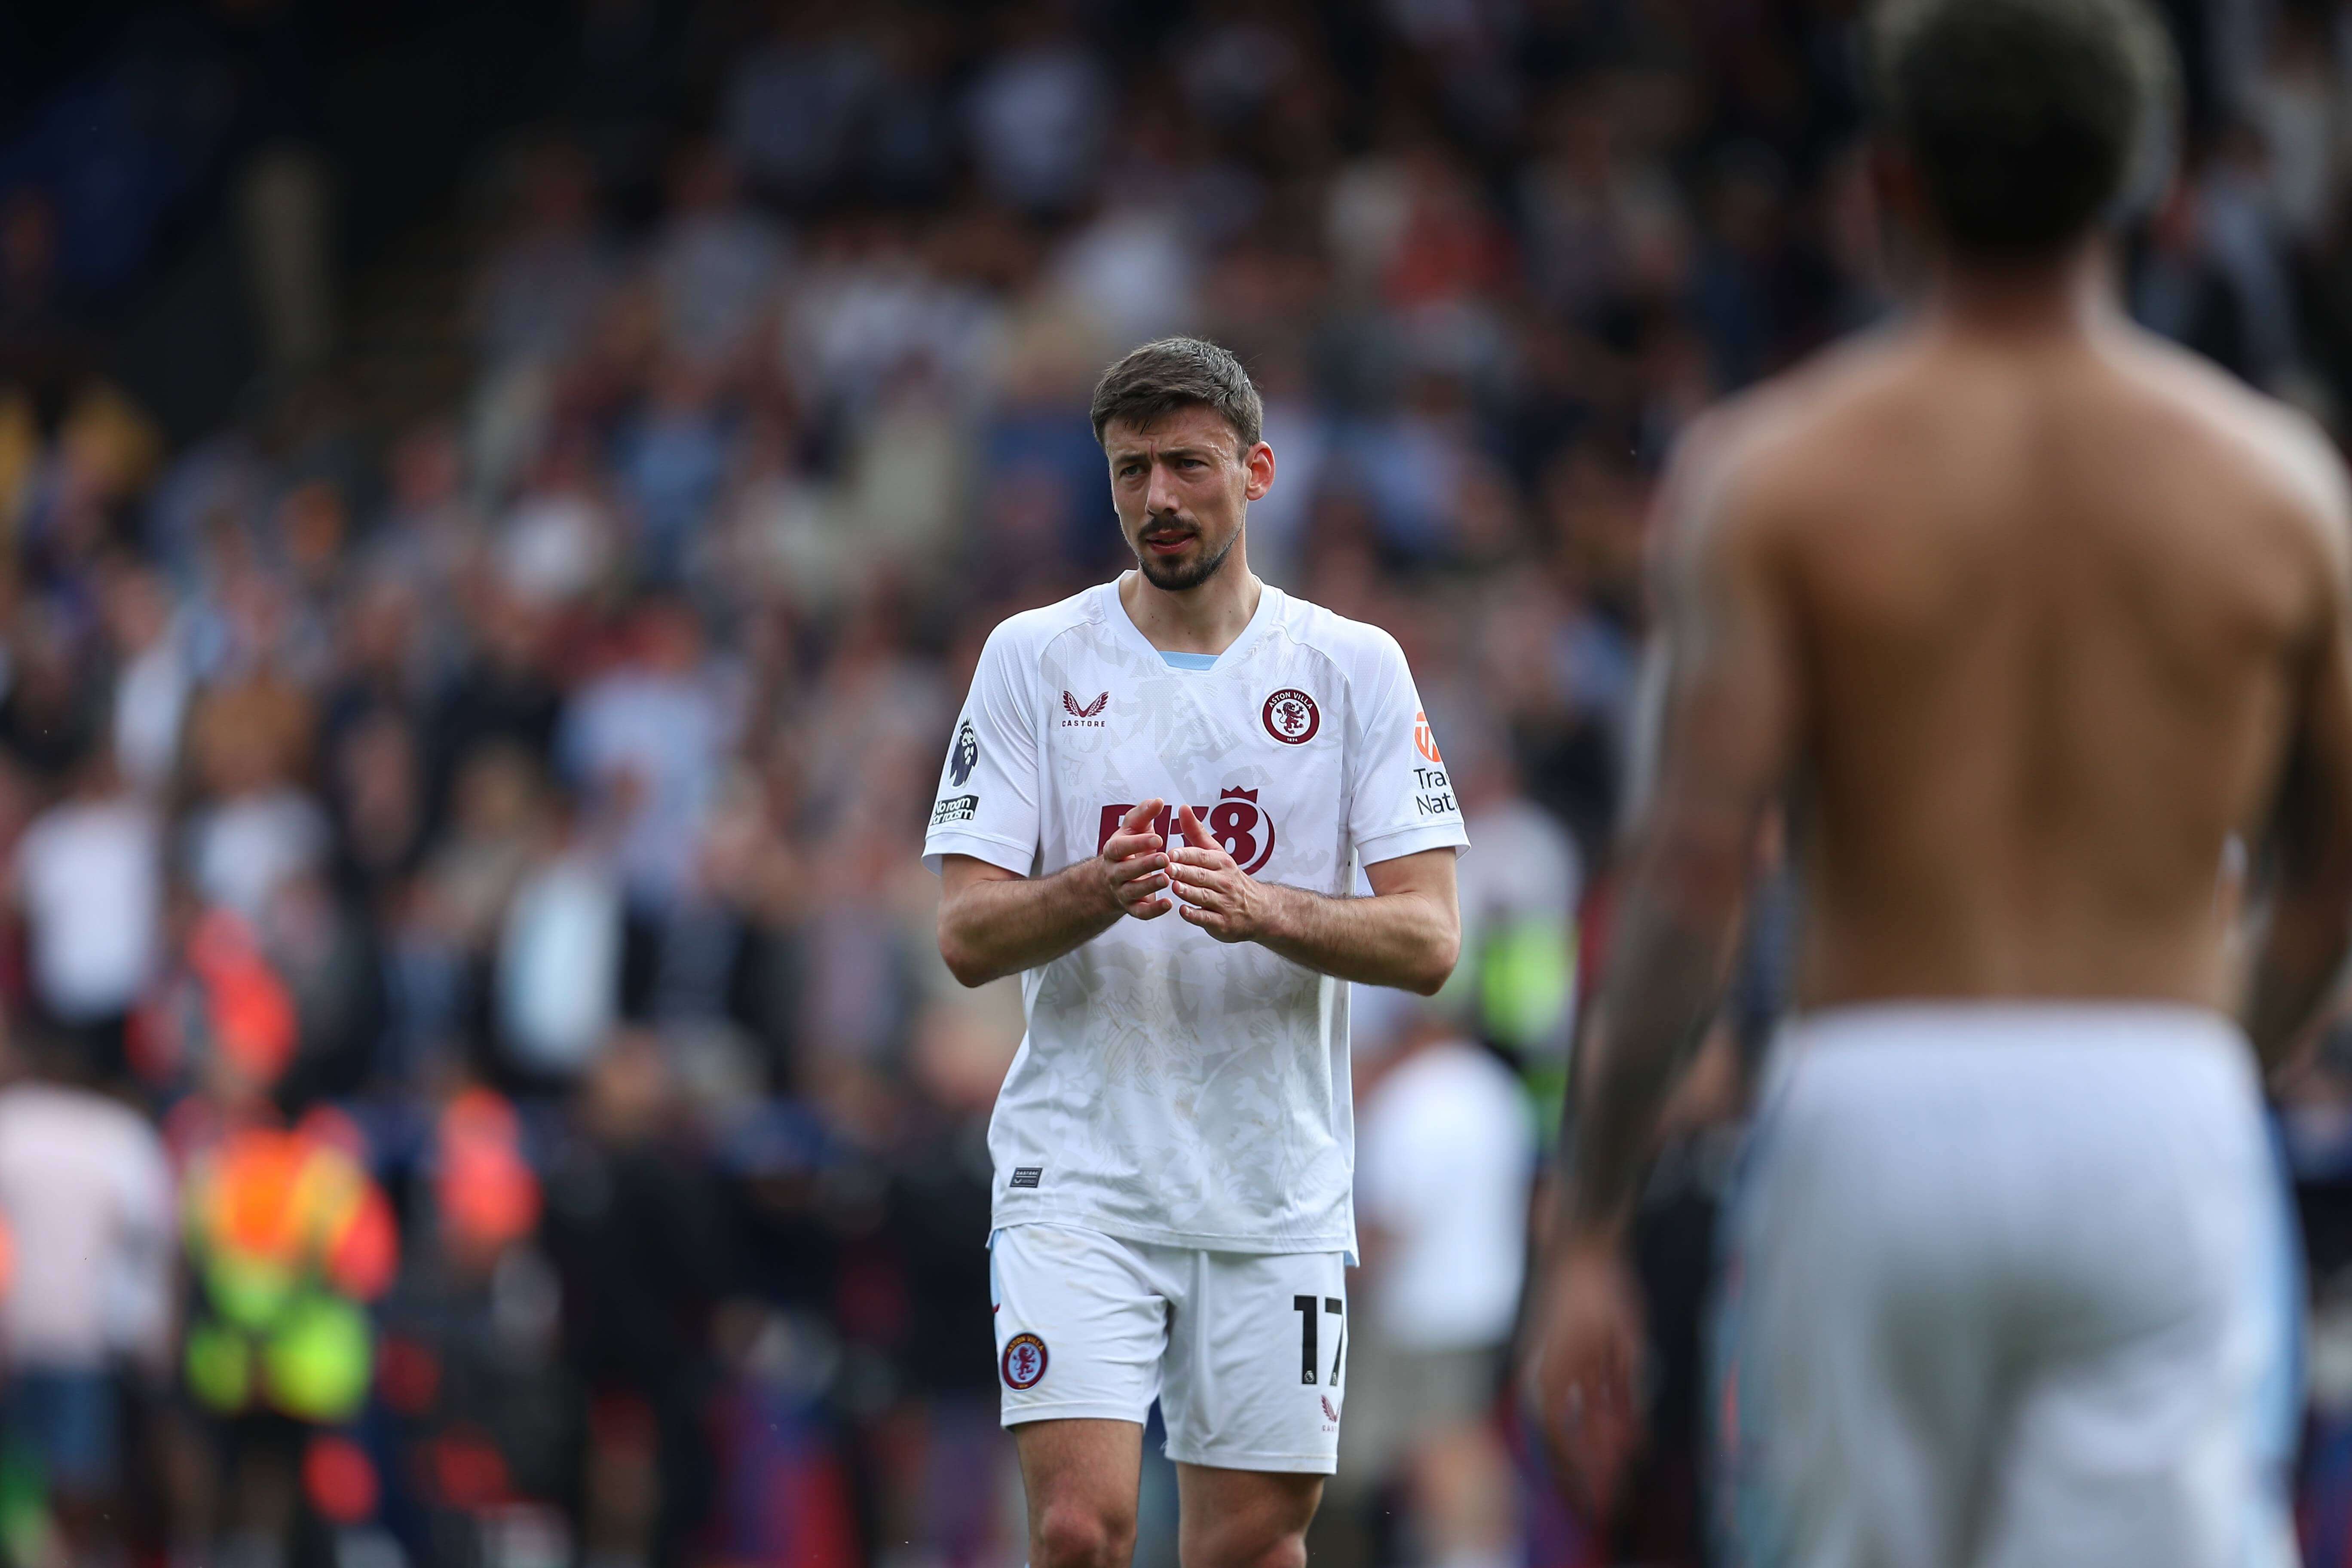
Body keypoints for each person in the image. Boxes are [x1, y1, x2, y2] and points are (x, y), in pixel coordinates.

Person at [1522, 1, 2352, 1565]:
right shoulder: (2280, 496)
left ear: (1886, 185)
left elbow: (1695, 879)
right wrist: (2203, 1071)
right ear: (2158, 193)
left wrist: (1590, 1227)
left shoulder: (1776, 478)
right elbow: (2330, 887)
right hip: (2156, 1094)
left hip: (1872, 1104)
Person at [927, 337, 1468, 1568]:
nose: (1157, 499)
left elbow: (1433, 939)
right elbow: (965, 932)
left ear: (1257, 471)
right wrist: (1098, 889)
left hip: (1271, 1180)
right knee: (1079, 1531)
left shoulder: (1353, 668)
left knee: (1250, 1548)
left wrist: (1264, 906)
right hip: (1078, 1173)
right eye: (1130, 473)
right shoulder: (1032, 658)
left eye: (1186, 465)